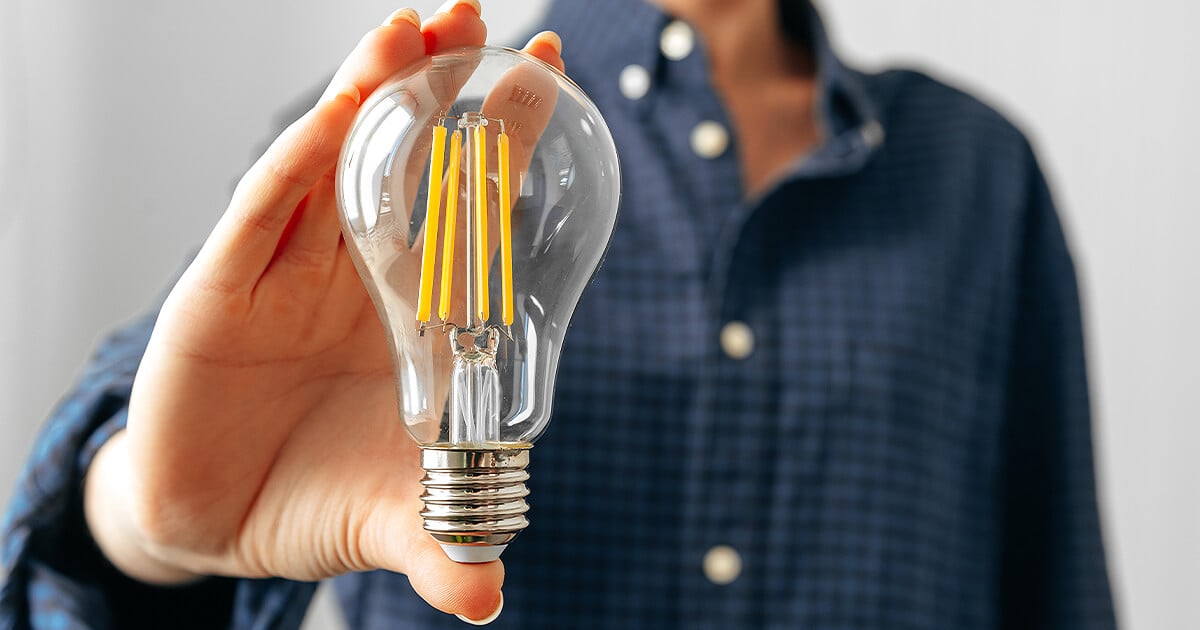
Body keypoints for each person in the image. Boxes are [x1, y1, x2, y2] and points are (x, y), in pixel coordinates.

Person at [1, 0, 1117, 627]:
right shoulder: (408, 145)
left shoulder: (975, 175)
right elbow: (147, 492)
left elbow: (1055, 588)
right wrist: (143, 529)